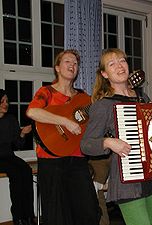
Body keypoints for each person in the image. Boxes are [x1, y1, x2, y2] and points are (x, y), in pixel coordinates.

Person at [80, 48, 152, 225]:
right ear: (105, 74)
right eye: (112, 64)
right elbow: (86, 144)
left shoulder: (143, 98)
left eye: (122, 61)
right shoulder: (103, 105)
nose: (119, 66)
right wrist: (108, 142)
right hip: (128, 181)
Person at [26, 49, 100, 225]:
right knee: (57, 216)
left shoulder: (84, 98)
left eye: (75, 63)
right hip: (51, 160)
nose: (72, 66)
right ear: (57, 68)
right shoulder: (47, 92)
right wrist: (65, 122)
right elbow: (32, 111)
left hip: (78, 159)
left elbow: (93, 123)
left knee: (89, 211)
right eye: (68, 62)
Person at [0, 89, 35, 225]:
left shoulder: (11, 119)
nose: (5, 104)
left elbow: (18, 145)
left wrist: (22, 134)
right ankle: (18, 217)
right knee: (15, 174)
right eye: (2, 101)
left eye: (7, 101)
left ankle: (28, 216)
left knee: (26, 171)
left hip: (9, 156)